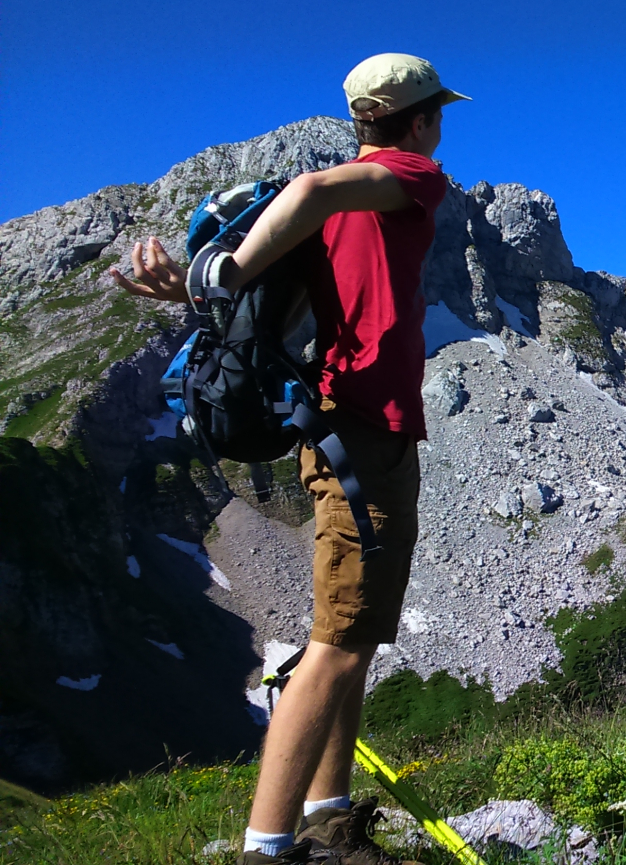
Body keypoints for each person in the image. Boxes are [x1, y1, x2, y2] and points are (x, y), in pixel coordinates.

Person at [109, 53, 467, 865]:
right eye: (438, 113)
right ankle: (266, 850)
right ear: (416, 121)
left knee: (352, 632)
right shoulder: (406, 177)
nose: (441, 128)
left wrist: (199, 282)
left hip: (334, 433)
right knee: (339, 643)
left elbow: (266, 301)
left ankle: (330, 821)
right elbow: (303, 197)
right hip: (366, 434)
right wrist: (224, 268)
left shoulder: (331, 218)